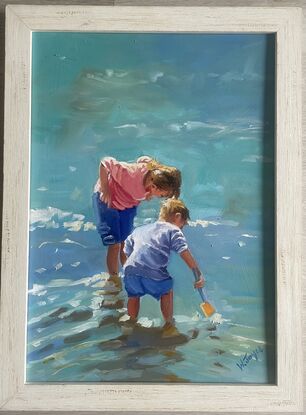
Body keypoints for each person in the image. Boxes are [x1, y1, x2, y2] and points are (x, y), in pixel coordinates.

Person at [92, 156, 181, 289]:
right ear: (155, 186)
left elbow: (144, 159)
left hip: (127, 204)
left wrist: (149, 192)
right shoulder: (130, 174)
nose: (160, 198)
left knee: (126, 242)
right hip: (107, 202)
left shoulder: (151, 175)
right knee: (115, 244)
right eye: (161, 195)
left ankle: (129, 273)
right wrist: (105, 188)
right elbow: (105, 163)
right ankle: (113, 279)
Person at [122, 198, 205, 336]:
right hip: (153, 273)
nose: (181, 228)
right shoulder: (173, 230)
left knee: (133, 295)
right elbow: (184, 252)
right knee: (167, 289)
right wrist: (198, 274)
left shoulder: (139, 230)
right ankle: (168, 325)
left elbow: (126, 251)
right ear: (177, 216)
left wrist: (129, 269)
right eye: (182, 225)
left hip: (130, 271)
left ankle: (131, 323)